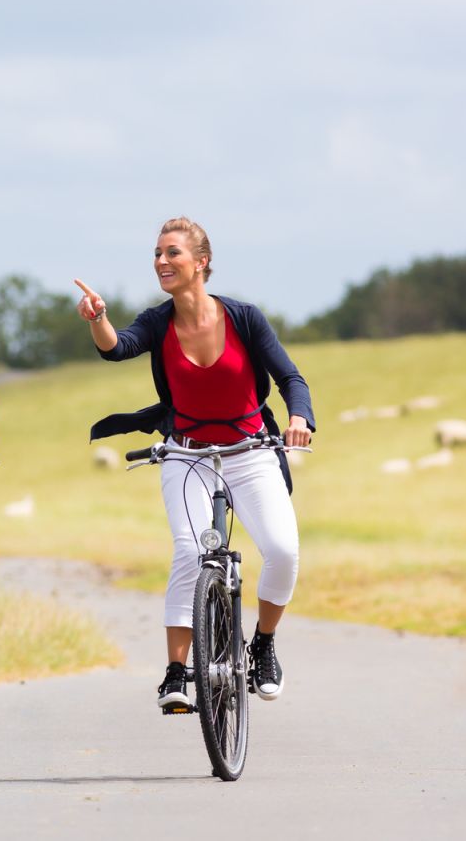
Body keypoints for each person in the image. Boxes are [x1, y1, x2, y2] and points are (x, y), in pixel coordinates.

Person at [75, 216, 314, 709]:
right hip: (186, 454)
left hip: (251, 452)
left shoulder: (244, 317)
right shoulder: (158, 321)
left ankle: (264, 644)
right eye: (157, 254)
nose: (161, 261)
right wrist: (98, 318)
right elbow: (117, 348)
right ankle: (176, 672)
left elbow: (291, 377)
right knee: (189, 551)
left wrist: (299, 418)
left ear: (201, 262)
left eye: (172, 253)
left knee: (284, 551)